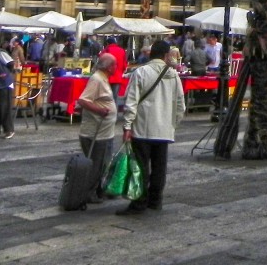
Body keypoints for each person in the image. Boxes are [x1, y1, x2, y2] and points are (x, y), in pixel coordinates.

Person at [117, 40, 186, 216]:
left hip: (142, 127)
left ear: (150, 54)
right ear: (166, 56)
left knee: (140, 166)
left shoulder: (140, 72)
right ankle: (156, 201)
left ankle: (139, 202)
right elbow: (181, 105)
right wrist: (173, 123)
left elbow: (131, 102)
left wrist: (127, 125)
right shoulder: (174, 75)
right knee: (159, 167)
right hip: (164, 130)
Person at [76, 53, 117, 203]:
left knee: (103, 162)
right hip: (95, 132)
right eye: (115, 65)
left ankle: (99, 189)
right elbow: (83, 100)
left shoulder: (102, 79)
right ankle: (89, 192)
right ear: (108, 66)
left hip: (104, 132)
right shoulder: (97, 79)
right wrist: (99, 111)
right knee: (97, 163)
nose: (116, 67)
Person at [103, 36, 128, 101]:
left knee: (106, 97)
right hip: (118, 77)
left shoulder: (107, 50)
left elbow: (102, 63)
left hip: (107, 77)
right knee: (115, 97)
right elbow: (124, 64)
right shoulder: (122, 50)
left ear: (108, 43)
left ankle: (107, 110)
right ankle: (114, 110)